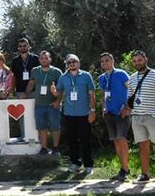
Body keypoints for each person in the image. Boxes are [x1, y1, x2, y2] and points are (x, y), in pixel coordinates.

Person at [51, 54, 95, 174]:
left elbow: (92, 94)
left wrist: (93, 111)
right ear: (67, 65)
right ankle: (75, 163)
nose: (72, 64)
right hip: (69, 113)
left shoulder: (86, 76)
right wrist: (53, 91)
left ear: (78, 63)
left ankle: (88, 165)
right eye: (69, 62)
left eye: (74, 61)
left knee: (85, 140)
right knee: (72, 140)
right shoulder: (63, 77)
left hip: (84, 113)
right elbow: (58, 93)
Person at [97, 52, 130, 181]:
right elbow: (104, 93)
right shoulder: (102, 78)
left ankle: (125, 170)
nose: (104, 63)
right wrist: (103, 108)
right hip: (109, 114)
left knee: (121, 140)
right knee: (116, 141)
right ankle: (123, 168)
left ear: (113, 61)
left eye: (107, 60)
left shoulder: (121, 74)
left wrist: (127, 108)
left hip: (122, 112)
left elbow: (131, 90)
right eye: (102, 61)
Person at [124, 50, 155, 182]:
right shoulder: (131, 77)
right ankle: (145, 174)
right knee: (142, 146)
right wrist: (128, 110)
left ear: (145, 59)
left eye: (139, 60)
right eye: (135, 61)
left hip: (152, 115)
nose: (137, 63)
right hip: (136, 116)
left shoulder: (154, 75)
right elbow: (129, 97)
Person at [25, 50, 62, 156]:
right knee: (41, 128)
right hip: (39, 104)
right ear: (39, 60)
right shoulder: (35, 71)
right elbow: (31, 84)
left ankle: (55, 148)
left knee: (55, 127)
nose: (44, 60)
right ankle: (44, 148)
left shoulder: (57, 72)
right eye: (42, 58)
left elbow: (61, 89)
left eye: (46, 58)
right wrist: (25, 94)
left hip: (53, 105)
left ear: (50, 59)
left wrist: (57, 102)